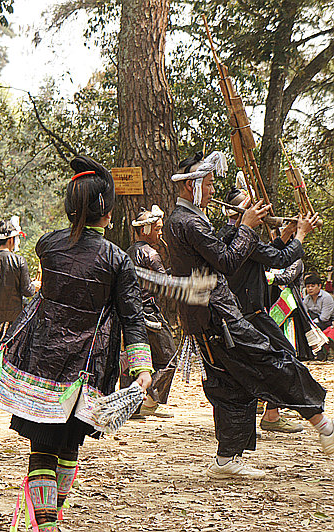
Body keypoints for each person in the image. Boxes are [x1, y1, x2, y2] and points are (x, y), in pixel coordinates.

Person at [0, 156, 152, 532]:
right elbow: (132, 317)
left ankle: (46, 524)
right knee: (70, 444)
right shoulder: (116, 260)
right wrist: (142, 367)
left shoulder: (48, 247)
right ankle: (51, 520)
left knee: (42, 445)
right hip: (87, 368)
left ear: (70, 207)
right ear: (107, 212)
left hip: (41, 362)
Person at [163, 151, 333, 481]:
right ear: (189, 186)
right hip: (219, 318)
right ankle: (323, 425)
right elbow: (228, 261)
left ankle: (226, 460)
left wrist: (263, 231)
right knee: (272, 362)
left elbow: (231, 252)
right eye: (208, 184)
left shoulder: (185, 220)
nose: (212, 190)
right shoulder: (189, 221)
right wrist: (246, 227)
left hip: (211, 318)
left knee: (232, 387)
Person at [217, 187, 318, 434]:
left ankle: (267, 414)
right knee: (283, 356)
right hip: (249, 314)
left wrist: (286, 235)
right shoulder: (242, 237)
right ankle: (271, 415)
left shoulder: (230, 234)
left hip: (239, 312)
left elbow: (262, 256)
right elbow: (279, 260)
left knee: (247, 365)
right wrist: (301, 234)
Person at [124, 205, 176, 418]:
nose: (160, 233)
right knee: (169, 357)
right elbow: (165, 285)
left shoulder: (127, 253)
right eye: (157, 229)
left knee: (134, 358)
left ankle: (132, 407)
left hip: (130, 314)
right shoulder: (151, 254)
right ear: (145, 231)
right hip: (148, 314)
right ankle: (150, 401)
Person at [0, 217, 40, 344]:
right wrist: (34, 286)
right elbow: (27, 291)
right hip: (12, 324)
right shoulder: (19, 261)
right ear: (10, 240)